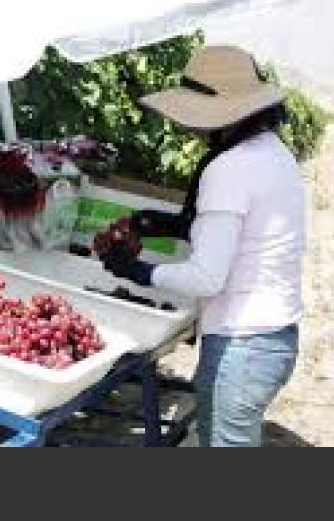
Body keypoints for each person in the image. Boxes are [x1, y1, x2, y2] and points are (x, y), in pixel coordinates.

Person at [99, 45, 305, 447]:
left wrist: (134, 270)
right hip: (271, 338)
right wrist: (152, 224)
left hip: (242, 348)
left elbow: (206, 277)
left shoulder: (229, 168)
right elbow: (232, 233)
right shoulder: (272, 153)